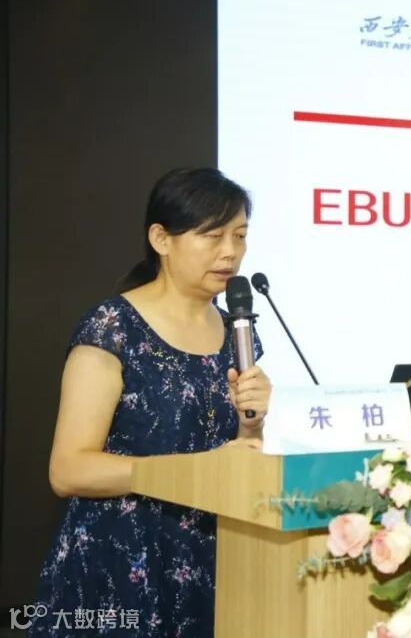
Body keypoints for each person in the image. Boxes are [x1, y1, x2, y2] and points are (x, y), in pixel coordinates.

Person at [28, 168, 272, 637]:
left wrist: (252, 425)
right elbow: (68, 470)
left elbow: (233, 455)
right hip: (120, 562)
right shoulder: (113, 327)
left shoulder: (238, 333)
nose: (230, 252)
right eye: (213, 236)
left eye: (240, 236)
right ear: (161, 239)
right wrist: (194, 469)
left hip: (209, 560)